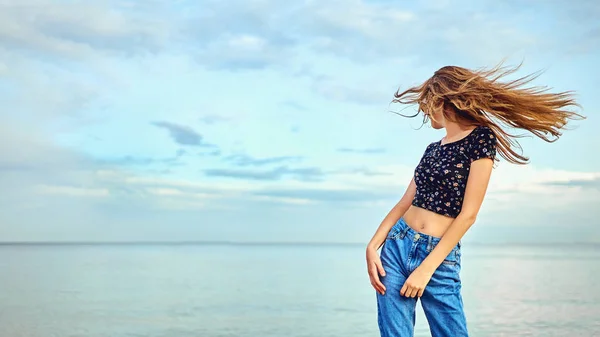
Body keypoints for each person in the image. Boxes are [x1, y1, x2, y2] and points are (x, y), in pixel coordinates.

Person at [365, 63, 583, 337]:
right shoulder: (432, 149)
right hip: (396, 247)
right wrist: (373, 246)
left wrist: (426, 269)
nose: (423, 110)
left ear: (441, 99)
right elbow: (404, 203)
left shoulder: (480, 139)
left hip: (439, 257)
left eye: (425, 103)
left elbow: (468, 214)